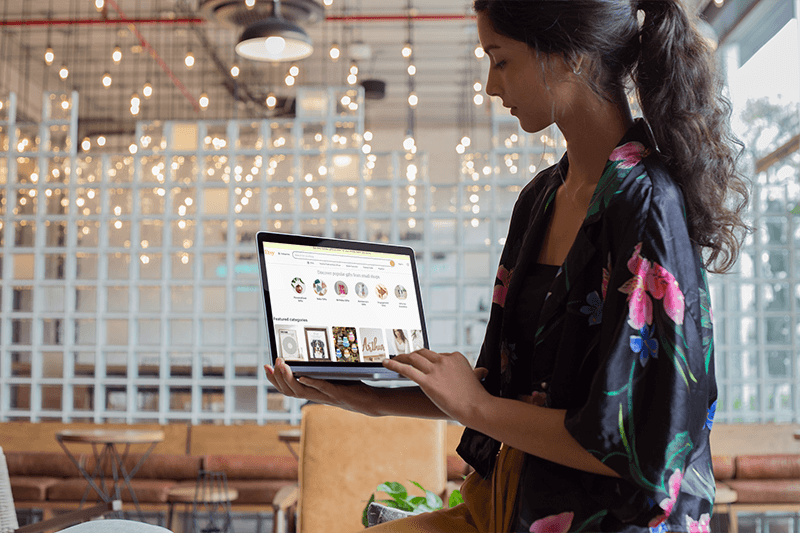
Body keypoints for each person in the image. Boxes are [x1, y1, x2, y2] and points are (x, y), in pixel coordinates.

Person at [265, 0, 749, 531]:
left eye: (500, 60)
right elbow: (497, 390)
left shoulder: (647, 203)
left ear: (570, 56)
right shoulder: (541, 197)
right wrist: (363, 398)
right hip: (508, 502)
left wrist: (473, 405)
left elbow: (636, 449)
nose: (492, 86)